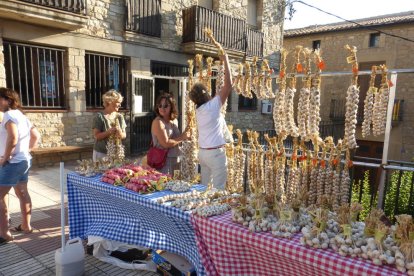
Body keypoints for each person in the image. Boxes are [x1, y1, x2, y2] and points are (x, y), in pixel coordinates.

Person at [0, 87, 40, 245]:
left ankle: (4, 234)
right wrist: (26, 151)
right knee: (22, 193)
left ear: (7, 100)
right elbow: (36, 136)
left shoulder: (9, 115)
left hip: (13, 163)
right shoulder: (22, 116)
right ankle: (26, 226)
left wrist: (6, 157)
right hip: (24, 160)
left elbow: (13, 138)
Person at [189, 52, 232, 190]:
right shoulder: (213, 106)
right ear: (206, 93)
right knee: (218, 190)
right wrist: (226, 61)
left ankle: (201, 209)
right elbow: (228, 86)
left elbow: (219, 93)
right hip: (215, 154)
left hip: (203, 153)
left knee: (204, 188)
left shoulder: (199, 110)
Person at [150, 93, 190, 174]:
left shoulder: (174, 120)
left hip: (176, 158)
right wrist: (183, 137)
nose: (162, 108)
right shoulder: (158, 122)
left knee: (176, 184)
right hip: (163, 161)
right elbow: (165, 143)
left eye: (165, 106)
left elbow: (177, 139)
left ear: (172, 106)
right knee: (166, 185)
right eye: (160, 105)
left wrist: (187, 132)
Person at [92, 90, 127, 162]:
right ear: (110, 102)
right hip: (101, 153)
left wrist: (120, 133)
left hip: (117, 153)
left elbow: (124, 135)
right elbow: (96, 136)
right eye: (118, 102)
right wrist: (109, 132)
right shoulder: (99, 117)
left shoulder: (120, 117)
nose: (120, 105)